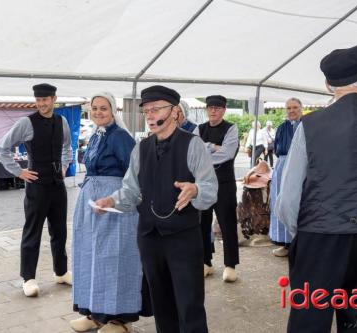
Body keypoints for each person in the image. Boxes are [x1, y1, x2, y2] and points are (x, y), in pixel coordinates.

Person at [276, 45, 357, 332]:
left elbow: (288, 200)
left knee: (309, 320)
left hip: (319, 239)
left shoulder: (309, 126)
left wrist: (304, 236)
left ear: (328, 85)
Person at [95, 85, 218, 333]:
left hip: (183, 237)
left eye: (155, 109)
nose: (150, 115)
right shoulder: (141, 148)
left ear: (174, 112)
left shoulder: (194, 145)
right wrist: (112, 200)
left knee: (189, 304)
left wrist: (195, 190)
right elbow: (130, 190)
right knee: (161, 303)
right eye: (146, 111)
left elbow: (210, 189)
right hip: (150, 237)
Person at [70, 92, 143, 333]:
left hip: (114, 206)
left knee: (114, 259)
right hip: (92, 204)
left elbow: (134, 173)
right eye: (95, 108)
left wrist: (116, 198)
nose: (99, 112)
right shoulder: (95, 136)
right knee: (91, 256)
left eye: (103, 108)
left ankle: (120, 319)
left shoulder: (120, 137)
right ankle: (95, 312)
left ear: (113, 111)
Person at [0, 83, 73, 297]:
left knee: (60, 231)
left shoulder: (62, 121)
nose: (41, 104)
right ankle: (28, 278)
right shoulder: (26, 122)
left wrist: (65, 165)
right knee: (33, 231)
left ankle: (61, 272)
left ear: (54, 99)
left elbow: (67, 146)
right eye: (38, 100)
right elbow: (2, 147)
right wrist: (19, 172)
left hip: (58, 184)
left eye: (45, 100)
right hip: (37, 185)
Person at [194, 95, 240, 281]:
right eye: (211, 107)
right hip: (203, 183)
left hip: (224, 183)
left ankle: (230, 265)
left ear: (224, 110)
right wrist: (213, 146)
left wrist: (205, 152)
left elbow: (227, 154)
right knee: (202, 224)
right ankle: (206, 262)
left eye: (218, 108)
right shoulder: (200, 128)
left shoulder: (231, 128)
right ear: (206, 109)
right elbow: (194, 152)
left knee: (227, 223)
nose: (213, 111)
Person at [269, 98, 302, 257]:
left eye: (295, 107)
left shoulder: (307, 126)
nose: (291, 110)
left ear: (301, 108)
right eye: (288, 108)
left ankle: (300, 243)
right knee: (281, 203)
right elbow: (277, 148)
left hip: (300, 166)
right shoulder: (282, 128)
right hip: (282, 166)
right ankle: (284, 242)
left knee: (298, 203)